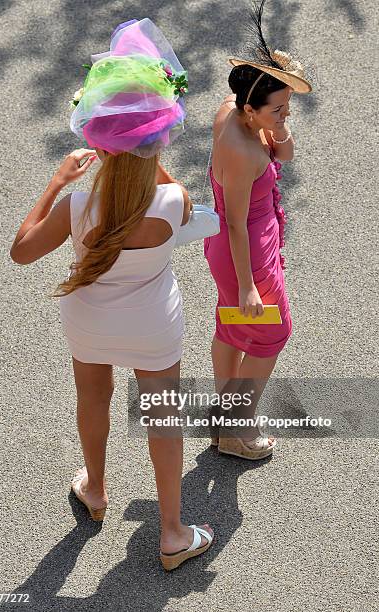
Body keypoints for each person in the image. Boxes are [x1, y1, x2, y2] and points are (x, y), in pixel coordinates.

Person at [10, 18, 213, 571]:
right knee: (163, 418)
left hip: (90, 323)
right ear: (158, 139)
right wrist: (146, 147)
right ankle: (172, 533)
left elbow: (21, 251)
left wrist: (56, 182)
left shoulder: (77, 208)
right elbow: (168, 188)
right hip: (154, 326)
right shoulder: (174, 202)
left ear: (97, 141)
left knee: (92, 398)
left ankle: (95, 490)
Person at [204, 0, 312, 459]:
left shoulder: (233, 108)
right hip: (246, 252)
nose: (285, 116)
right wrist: (250, 285)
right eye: (279, 110)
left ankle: (224, 414)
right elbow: (233, 222)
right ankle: (236, 427)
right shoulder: (244, 154)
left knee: (232, 327)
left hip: (237, 247)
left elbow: (283, 154)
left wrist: (278, 130)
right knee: (273, 334)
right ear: (251, 108)